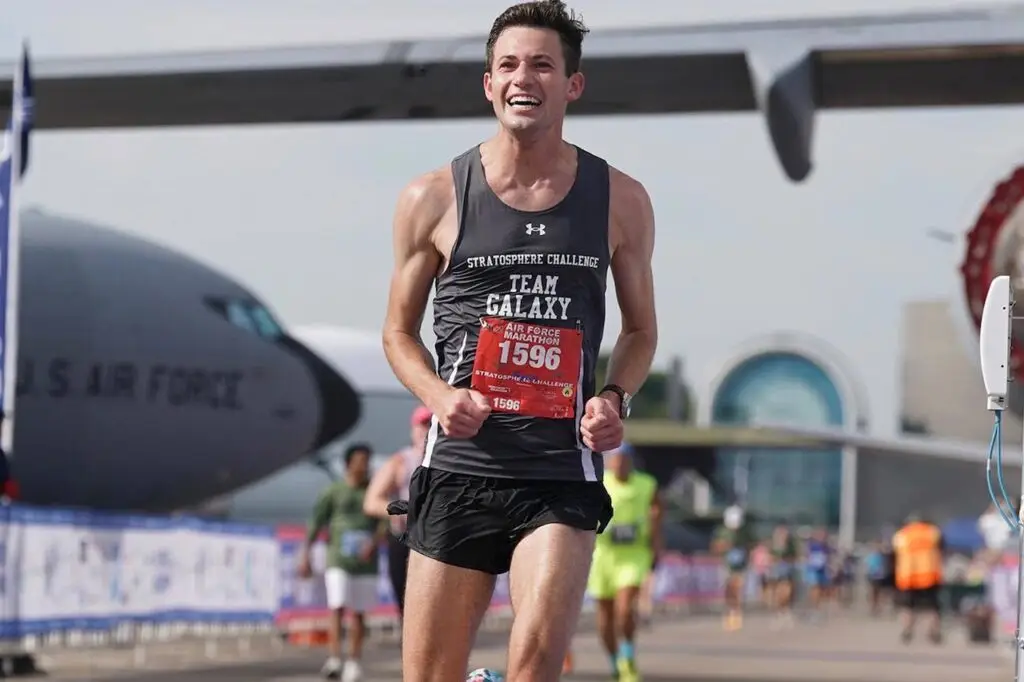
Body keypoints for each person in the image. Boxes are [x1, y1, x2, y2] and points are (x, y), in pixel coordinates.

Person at [379, 0, 658, 678]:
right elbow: (397, 333)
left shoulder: (620, 199)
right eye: (507, 65)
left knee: (535, 662)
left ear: (572, 85)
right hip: (461, 468)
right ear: (488, 83)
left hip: (559, 471)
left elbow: (641, 331)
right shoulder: (435, 196)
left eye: (541, 64)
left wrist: (615, 396)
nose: (521, 78)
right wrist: (440, 396)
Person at [299, 444, 388, 681]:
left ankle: (354, 660)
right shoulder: (333, 492)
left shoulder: (373, 491)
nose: (364, 466)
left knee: (359, 613)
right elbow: (316, 523)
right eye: (360, 461)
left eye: (367, 461)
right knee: (337, 606)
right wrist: (305, 554)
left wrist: (374, 543)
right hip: (338, 558)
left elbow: (385, 522)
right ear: (348, 463)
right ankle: (335, 658)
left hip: (365, 562)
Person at [582, 443, 662, 681]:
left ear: (630, 461)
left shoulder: (647, 484)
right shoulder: (599, 480)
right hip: (603, 556)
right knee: (604, 620)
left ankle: (627, 655)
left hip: (633, 555)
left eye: (623, 459)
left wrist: (656, 540)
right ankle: (615, 661)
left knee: (625, 609)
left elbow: (658, 508)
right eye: (615, 459)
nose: (619, 464)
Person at [363, 405, 433, 619]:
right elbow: (372, 501)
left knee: (433, 608)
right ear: (413, 429)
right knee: (407, 608)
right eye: (423, 425)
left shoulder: (453, 461)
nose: (427, 429)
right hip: (405, 540)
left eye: (431, 425)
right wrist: (401, 511)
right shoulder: (401, 461)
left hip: (437, 541)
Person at [891, 513, 945, 644]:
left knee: (907, 606)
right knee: (933, 607)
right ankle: (933, 632)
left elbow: (894, 553)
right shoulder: (932, 532)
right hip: (929, 576)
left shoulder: (901, 535)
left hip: (908, 577)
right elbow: (942, 547)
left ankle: (907, 630)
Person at [711, 505, 755, 632]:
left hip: (740, 566)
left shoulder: (745, 532)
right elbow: (715, 546)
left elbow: (751, 545)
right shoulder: (721, 532)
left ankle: (736, 613)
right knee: (728, 590)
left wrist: (748, 554)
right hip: (726, 565)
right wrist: (724, 546)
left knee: (737, 589)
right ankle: (730, 610)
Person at [765, 525, 798, 628]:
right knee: (777, 592)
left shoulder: (790, 546)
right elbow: (770, 557)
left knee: (786, 591)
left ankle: (785, 610)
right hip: (776, 570)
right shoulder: (773, 546)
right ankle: (779, 612)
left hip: (786, 569)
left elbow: (795, 556)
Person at [803, 528, 833, 619]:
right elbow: (807, 555)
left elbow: (829, 558)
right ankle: (813, 609)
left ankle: (818, 609)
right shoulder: (812, 545)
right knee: (814, 589)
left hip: (822, 570)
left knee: (822, 590)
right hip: (813, 570)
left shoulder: (826, 546)